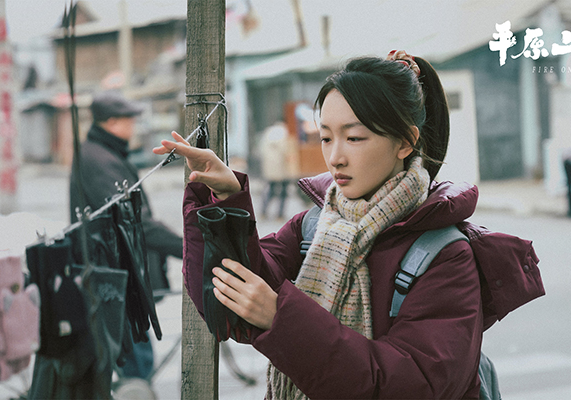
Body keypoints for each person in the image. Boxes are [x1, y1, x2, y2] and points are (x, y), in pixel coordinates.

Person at [155, 51, 539, 399]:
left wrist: (280, 319)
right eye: (325, 137)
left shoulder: (444, 254)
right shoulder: (315, 225)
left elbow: (408, 385)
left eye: (354, 138)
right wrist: (224, 199)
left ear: (405, 142)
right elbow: (230, 303)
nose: (334, 157)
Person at [69, 91, 183, 379]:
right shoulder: (100, 161)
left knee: (128, 360)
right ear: (112, 122)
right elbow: (136, 222)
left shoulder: (102, 154)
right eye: (129, 120)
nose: (134, 127)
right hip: (116, 277)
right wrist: (188, 247)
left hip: (117, 274)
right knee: (136, 365)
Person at [259, 120, 295, 220]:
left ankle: (263, 212)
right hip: (282, 167)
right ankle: (280, 214)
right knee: (283, 191)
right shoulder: (285, 132)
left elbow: (261, 149)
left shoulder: (268, 132)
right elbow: (286, 150)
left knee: (270, 189)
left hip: (270, 168)